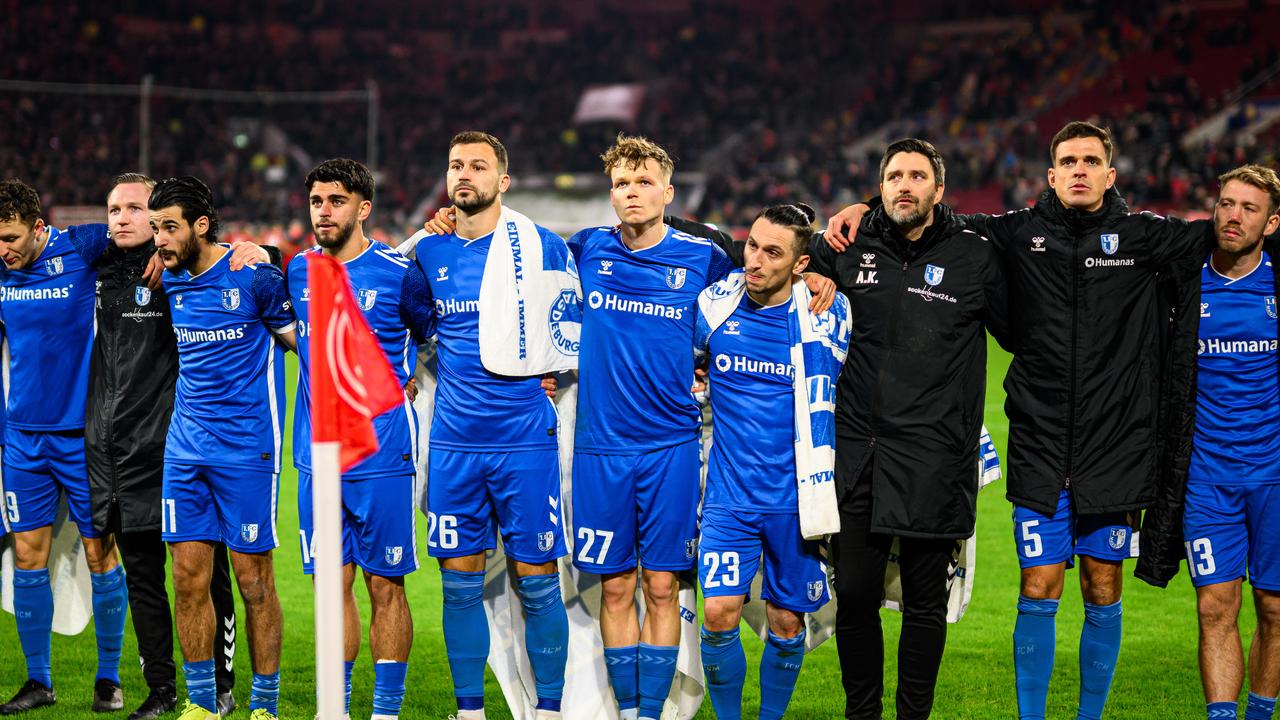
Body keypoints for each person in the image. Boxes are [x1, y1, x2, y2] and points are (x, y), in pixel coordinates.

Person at [825, 121, 1213, 720]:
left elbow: (1223, 238)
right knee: (1031, 587)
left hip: (1111, 441)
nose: (1079, 170)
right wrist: (861, 210)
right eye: (1068, 161)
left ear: (1110, 175)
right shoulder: (1013, 234)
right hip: (1035, 440)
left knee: (1102, 590)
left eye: (1090, 161)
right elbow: (906, 225)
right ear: (1050, 175)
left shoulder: (1143, 236)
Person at [808, 139, 1008, 719]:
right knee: (857, 597)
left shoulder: (976, 255)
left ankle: (913, 716)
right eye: (894, 176)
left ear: (939, 190)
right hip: (859, 453)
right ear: (879, 186)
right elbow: (777, 264)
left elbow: (1022, 334)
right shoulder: (847, 244)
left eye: (917, 176)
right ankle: (862, 714)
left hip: (935, 457)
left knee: (925, 604)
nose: (904, 185)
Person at [566, 135, 736, 720]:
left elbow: (762, 289)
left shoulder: (705, 258)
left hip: (672, 448)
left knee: (662, 588)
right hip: (599, 450)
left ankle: (649, 714)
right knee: (614, 588)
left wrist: (818, 278)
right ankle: (627, 708)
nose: (631, 193)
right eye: (620, 184)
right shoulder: (584, 249)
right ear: (610, 193)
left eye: (643, 183)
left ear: (668, 191)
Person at [414, 132, 571, 720]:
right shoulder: (427, 254)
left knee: (537, 582)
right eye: (455, 165)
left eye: (478, 166)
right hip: (455, 443)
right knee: (458, 586)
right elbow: (400, 322)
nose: (464, 175)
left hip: (524, 442)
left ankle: (549, 710)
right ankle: (470, 711)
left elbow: (568, 331)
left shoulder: (543, 247)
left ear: (502, 181)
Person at [91, 172, 258, 719]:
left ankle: (223, 683)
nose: (122, 219)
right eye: (113, 209)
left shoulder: (180, 271)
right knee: (144, 576)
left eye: (135, 209)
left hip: (178, 446)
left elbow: (242, 265)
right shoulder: (95, 270)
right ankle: (162, 689)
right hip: (118, 454)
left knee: (207, 574)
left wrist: (263, 247)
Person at [287, 158, 435, 720]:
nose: (325, 211)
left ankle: (387, 712)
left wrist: (412, 380)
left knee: (386, 587)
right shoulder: (296, 272)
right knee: (333, 585)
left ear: (363, 208)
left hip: (382, 455)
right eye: (318, 201)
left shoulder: (399, 274)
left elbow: (433, 336)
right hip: (316, 458)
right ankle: (337, 709)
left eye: (337, 201)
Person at [692, 203, 850, 720]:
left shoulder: (828, 313)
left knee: (786, 623)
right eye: (751, 245)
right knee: (717, 614)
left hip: (797, 501)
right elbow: (683, 359)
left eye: (772, 252)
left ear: (801, 265)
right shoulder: (716, 304)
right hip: (728, 496)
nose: (753, 261)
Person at [150, 177, 296, 720]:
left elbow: (300, 340)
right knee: (187, 581)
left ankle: (265, 706)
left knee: (255, 583)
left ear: (201, 226)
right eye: (155, 227)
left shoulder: (252, 276)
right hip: (185, 451)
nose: (158, 239)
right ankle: (201, 704)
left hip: (247, 452)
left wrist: (268, 254)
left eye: (169, 227)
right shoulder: (169, 277)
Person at [1140, 165, 1280, 720]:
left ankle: (1261, 713)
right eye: (1226, 203)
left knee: (1274, 608)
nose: (1233, 216)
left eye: (1249, 208)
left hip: (1274, 475)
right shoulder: (1183, 281)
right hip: (1205, 479)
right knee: (1215, 609)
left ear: (1272, 223)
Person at [0, 179, 129, 714]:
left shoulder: (81, 247)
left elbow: (146, 234)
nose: (2, 249)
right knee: (28, 556)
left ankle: (108, 677)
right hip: (22, 441)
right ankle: (40, 681)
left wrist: (254, 248)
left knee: (101, 552)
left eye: (9, 237)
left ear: (37, 227)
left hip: (83, 438)